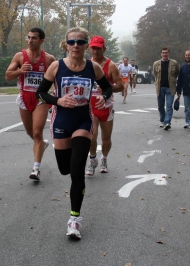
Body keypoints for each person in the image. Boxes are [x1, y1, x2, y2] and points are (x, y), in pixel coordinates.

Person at [36, 27, 113, 239]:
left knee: (77, 171)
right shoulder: (56, 67)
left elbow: (107, 88)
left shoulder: (93, 67)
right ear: (66, 44)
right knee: (64, 169)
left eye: (80, 42)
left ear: (86, 45)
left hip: (83, 120)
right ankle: (72, 166)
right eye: (72, 42)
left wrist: (103, 97)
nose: (76, 46)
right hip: (61, 120)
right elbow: (40, 93)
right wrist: (58, 100)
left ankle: (74, 220)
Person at [5, 28, 56, 181]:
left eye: (34, 38)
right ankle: (41, 145)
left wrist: (55, 99)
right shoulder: (20, 56)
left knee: (37, 132)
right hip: (24, 98)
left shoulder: (49, 59)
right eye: (28, 37)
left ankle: (36, 168)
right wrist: (20, 71)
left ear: (41, 41)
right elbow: (7, 76)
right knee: (30, 133)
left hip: (40, 99)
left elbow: (57, 78)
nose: (30, 40)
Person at [86, 36, 124, 176]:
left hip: (106, 106)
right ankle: (92, 159)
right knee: (92, 135)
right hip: (91, 106)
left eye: (98, 48)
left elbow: (121, 86)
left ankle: (104, 158)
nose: (95, 51)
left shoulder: (111, 65)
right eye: (93, 48)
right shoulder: (87, 64)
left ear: (104, 48)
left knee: (106, 138)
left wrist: (109, 88)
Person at [153, 47, 180, 130]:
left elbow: (176, 73)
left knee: (169, 106)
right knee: (160, 106)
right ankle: (162, 120)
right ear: (161, 54)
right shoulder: (156, 64)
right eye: (163, 53)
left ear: (169, 54)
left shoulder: (174, 63)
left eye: (166, 53)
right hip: (160, 87)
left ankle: (167, 122)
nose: (165, 54)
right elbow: (155, 74)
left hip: (170, 88)